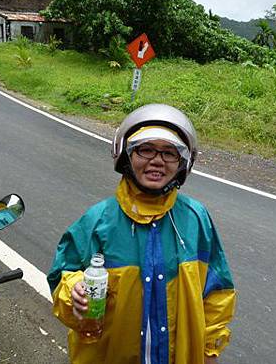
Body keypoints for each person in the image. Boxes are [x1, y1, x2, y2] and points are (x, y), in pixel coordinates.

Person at [47, 104, 236, 364]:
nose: (157, 160)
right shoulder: (97, 221)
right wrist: (73, 293)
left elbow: (217, 292)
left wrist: (209, 350)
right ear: (126, 156)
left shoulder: (195, 219)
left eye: (170, 153)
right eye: (146, 149)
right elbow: (60, 278)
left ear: (183, 163)